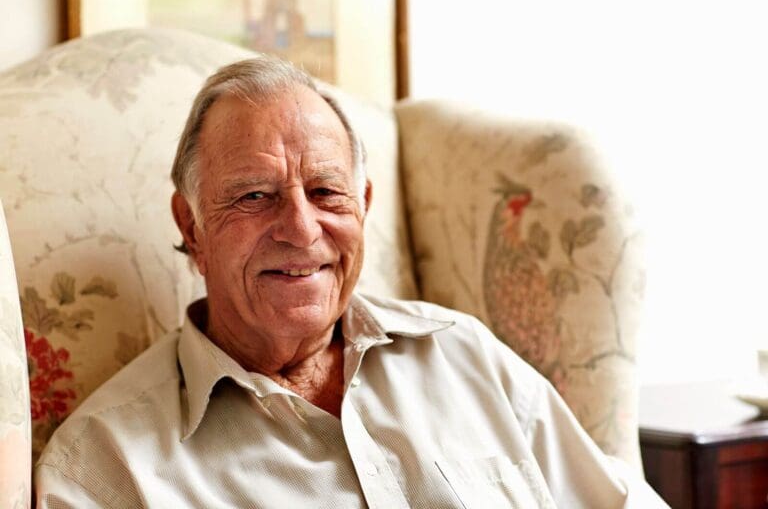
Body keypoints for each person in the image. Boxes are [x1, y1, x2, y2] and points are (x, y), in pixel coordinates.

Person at [34, 57, 667, 508]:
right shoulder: (105, 467)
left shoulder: (464, 354)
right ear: (192, 226)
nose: (301, 229)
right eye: (255, 196)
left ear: (363, 203)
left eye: (326, 192)